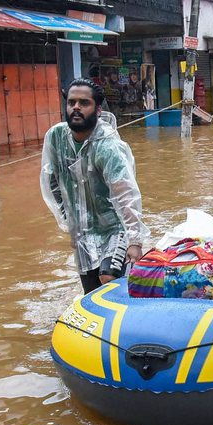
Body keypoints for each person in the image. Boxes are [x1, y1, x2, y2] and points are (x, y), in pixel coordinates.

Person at [40, 78, 149, 293]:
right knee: (90, 292)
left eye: (84, 103)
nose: (76, 108)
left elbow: (125, 194)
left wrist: (135, 241)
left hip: (114, 229)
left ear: (98, 110)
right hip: (81, 231)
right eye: (71, 102)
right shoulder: (56, 137)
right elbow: (51, 180)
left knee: (109, 279)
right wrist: (67, 217)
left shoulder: (107, 146)